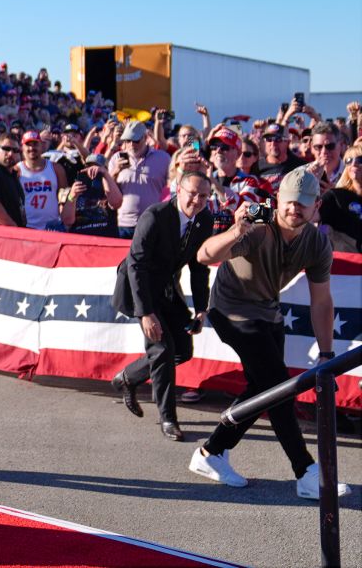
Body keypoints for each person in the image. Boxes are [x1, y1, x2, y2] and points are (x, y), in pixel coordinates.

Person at [189, 168, 353, 500]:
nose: (296, 209)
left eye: (304, 204)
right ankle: (307, 472)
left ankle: (211, 452)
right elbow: (204, 255)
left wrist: (326, 356)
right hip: (231, 309)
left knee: (263, 386)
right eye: (291, 201)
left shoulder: (317, 242)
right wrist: (236, 231)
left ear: (316, 205)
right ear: (278, 199)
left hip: (267, 310)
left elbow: (321, 301)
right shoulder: (258, 229)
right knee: (277, 386)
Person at [110, 172, 214, 441]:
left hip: (167, 288)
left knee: (182, 350)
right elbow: (137, 265)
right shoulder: (154, 216)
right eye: (192, 193)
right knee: (163, 350)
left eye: (203, 195)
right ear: (178, 190)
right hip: (140, 288)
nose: (197, 200)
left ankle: (128, 377)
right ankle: (168, 418)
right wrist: (145, 313)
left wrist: (202, 308)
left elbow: (199, 267)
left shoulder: (205, 219)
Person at [110, 120, 171, 237]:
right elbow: (108, 191)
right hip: (125, 224)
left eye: (136, 140)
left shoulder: (163, 158)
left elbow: (171, 188)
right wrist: (115, 172)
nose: (132, 145)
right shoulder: (116, 159)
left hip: (154, 222)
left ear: (145, 138)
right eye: (128, 140)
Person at [15, 130, 73, 231]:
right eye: (28, 145)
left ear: (42, 146)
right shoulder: (17, 170)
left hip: (53, 227)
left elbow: (64, 198)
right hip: (27, 228)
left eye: (35, 144)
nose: (32, 148)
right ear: (22, 148)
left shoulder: (56, 168)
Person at [319, 141, 362, 253]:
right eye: (348, 161)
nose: (353, 164)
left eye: (360, 160)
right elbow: (310, 216)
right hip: (345, 265)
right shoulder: (335, 196)